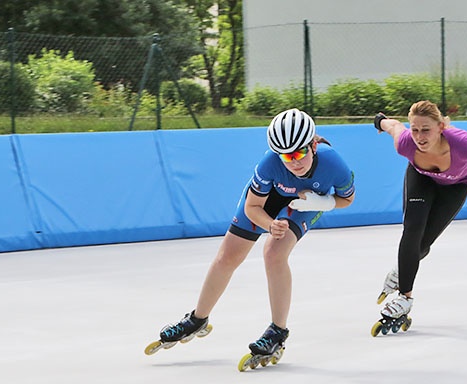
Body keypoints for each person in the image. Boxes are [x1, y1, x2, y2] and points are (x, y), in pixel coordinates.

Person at [150, 108, 355, 360]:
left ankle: (277, 331)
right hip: (267, 201)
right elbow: (252, 207)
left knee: (274, 253)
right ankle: (197, 319)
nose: (294, 162)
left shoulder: (333, 163)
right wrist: (270, 225)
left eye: (300, 152)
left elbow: (347, 199)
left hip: (305, 203)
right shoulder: (269, 164)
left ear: (313, 145)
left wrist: (321, 203)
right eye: (286, 156)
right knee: (227, 257)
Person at [372, 100, 467, 326]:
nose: (420, 137)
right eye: (415, 129)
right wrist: (381, 121)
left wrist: (453, 131)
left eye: (426, 130)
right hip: (421, 178)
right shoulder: (405, 144)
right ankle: (405, 297)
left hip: (457, 184)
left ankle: (401, 270)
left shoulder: (464, 145)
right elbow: (393, 127)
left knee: (422, 245)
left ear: (440, 127)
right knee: (412, 230)